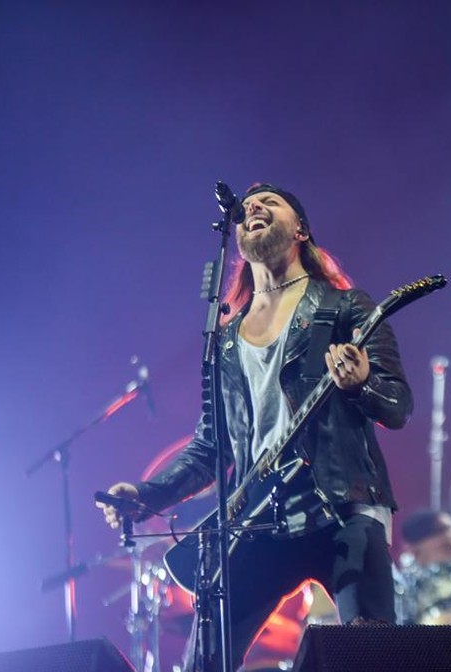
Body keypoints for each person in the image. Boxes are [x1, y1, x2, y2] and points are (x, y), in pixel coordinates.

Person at [97, 183, 413, 670]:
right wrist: (148, 496)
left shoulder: (346, 309)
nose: (255, 207)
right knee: (207, 660)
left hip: (343, 508)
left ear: (300, 230)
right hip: (264, 517)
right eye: (248, 206)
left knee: (371, 655)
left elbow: (397, 405)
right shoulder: (224, 340)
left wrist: (362, 383)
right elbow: (211, 447)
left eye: (271, 201)